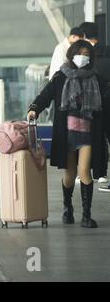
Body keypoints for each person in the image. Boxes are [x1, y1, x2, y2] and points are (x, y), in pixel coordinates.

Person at [28, 40, 110, 228]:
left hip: (89, 135)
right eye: (80, 53)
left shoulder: (98, 80)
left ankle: (87, 215)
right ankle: (68, 208)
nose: (83, 57)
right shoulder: (60, 77)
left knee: (84, 172)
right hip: (67, 135)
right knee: (69, 175)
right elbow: (45, 96)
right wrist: (34, 109)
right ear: (72, 55)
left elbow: (107, 109)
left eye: (87, 54)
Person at [79, 22, 110, 184]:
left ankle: (97, 172)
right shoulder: (107, 51)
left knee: (96, 137)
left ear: (84, 36)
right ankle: (101, 174)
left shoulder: (89, 57)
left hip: (96, 104)